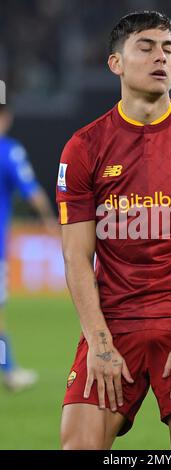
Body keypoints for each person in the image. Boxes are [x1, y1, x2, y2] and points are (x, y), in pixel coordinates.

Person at [57, 11, 171, 450]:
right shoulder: (84, 148)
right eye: (147, 47)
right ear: (115, 63)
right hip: (114, 321)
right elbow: (76, 257)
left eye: (169, 48)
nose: (162, 57)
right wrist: (99, 343)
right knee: (77, 446)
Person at [0, 104, 57, 391]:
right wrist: (48, 219)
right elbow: (31, 190)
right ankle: (8, 370)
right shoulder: (8, 150)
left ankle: (8, 368)